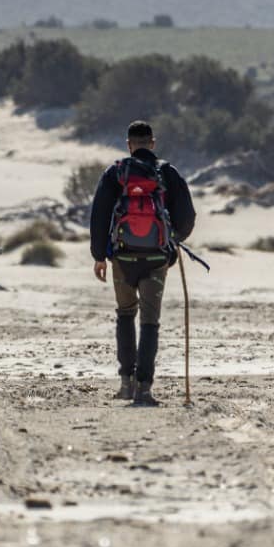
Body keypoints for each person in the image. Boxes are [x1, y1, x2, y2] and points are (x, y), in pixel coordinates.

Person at [88, 120, 196, 406]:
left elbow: (99, 214)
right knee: (150, 321)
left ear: (128, 144)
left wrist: (99, 256)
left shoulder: (116, 172)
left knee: (125, 314)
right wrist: (173, 240)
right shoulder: (167, 172)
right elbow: (187, 215)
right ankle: (144, 388)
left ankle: (126, 382)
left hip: (122, 257)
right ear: (152, 142)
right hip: (156, 258)